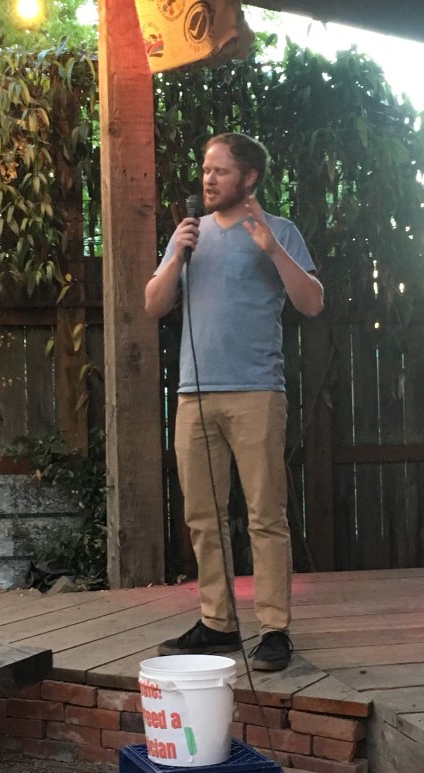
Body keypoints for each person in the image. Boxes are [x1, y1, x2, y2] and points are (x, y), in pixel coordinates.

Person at [145, 133, 324, 671]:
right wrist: (176, 255)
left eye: (220, 171)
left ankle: (274, 631)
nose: (208, 178)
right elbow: (153, 304)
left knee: (265, 515)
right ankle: (218, 624)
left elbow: (312, 303)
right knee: (203, 517)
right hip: (194, 396)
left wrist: (272, 249)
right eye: (206, 169)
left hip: (257, 392)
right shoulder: (191, 234)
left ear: (249, 178)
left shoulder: (279, 231)